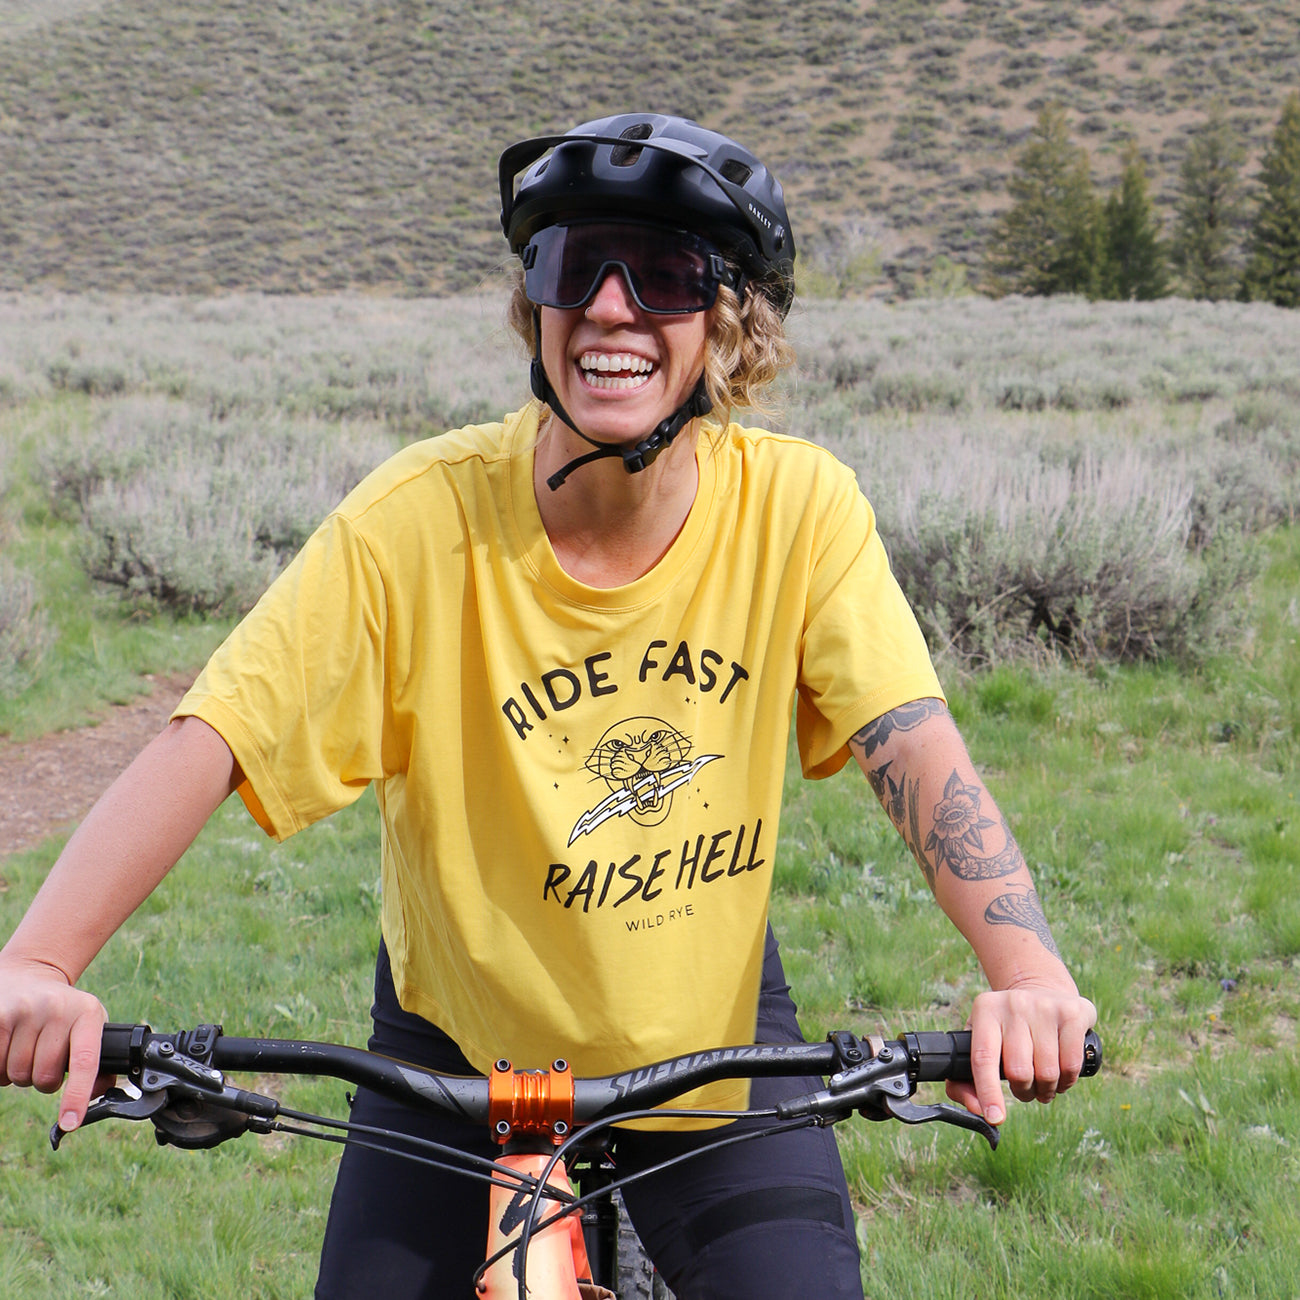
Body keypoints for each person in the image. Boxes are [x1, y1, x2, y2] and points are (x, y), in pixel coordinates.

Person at [0, 113, 1095, 1298]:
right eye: (577, 267)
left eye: (667, 276)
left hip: (712, 1033)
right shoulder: (416, 522)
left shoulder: (799, 510)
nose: (614, 310)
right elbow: (214, 734)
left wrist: (1027, 971)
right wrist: (41, 960)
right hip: (456, 1045)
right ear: (535, 305)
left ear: (726, 326)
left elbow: (909, 744)